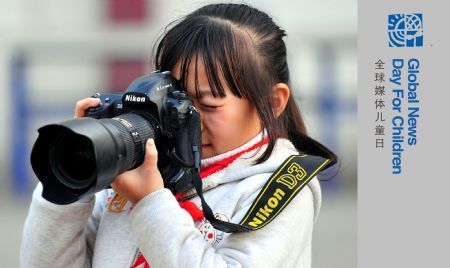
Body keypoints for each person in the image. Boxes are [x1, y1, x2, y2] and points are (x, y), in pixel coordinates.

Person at [21, 3, 336, 268]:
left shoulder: (281, 187)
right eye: (176, 101)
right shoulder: (138, 165)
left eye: (208, 104)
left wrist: (150, 202)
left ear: (271, 101)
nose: (189, 119)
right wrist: (73, 184)